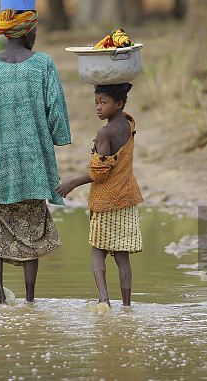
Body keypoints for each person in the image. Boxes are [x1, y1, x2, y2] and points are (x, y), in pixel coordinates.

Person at [0, 8, 71, 303]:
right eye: (34, 30)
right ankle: (30, 299)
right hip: (34, 167)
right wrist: (57, 137)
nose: (36, 36)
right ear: (25, 32)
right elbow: (56, 110)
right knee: (32, 234)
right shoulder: (43, 65)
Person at [55, 83, 143, 307]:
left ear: (119, 104)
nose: (98, 108)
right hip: (127, 197)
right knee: (123, 257)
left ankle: (104, 300)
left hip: (106, 200)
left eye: (103, 103)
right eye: (96, 102)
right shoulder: (129, 123)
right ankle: (126, 306)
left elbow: (99, 173)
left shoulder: (105, 132)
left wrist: (72, 183)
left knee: (98, 251)